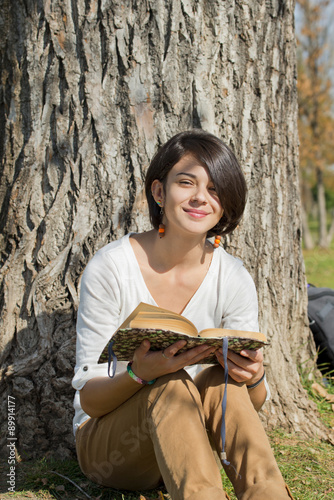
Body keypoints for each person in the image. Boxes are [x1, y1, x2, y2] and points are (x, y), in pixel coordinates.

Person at [72, 129, 293, 500]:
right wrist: (138, 374)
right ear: (160, 192)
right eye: (186, 182)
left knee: (219, 381)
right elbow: (89, 402)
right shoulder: (110, 267)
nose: (199, 198)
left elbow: (246, 406)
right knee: (170, 384)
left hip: (192, 445)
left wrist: (253, 377)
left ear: (225, 203)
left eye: (214, 189)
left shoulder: (234, 276)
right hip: (113, 446)